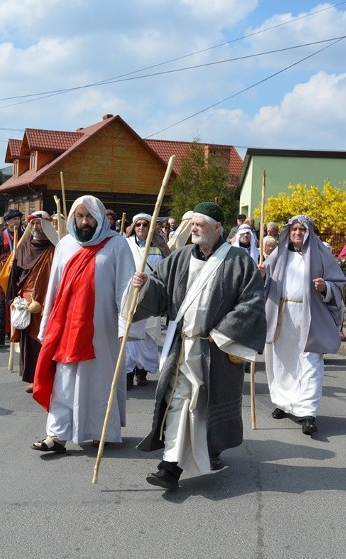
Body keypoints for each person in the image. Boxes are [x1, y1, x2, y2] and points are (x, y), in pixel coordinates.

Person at [130, 202, 266, 490]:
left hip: (216, 349)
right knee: (180, 401)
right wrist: (144, 285)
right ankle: (170, 467)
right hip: (182, 348)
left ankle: (210, 450)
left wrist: (224, 332)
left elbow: (252, 302)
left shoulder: (239, 262)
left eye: (200, 223)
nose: (193, 227)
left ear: (218, 228)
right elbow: (161, 290)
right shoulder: (179, 258)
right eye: (192, 223)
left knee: (207, 406)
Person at [30, 195, 135, 453]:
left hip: (103, 330)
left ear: (99, 218)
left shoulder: (117, 245)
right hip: (67, 328)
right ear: (73, 219)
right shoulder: (65, 245)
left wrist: (126, 325)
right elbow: (54, 288)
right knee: (64, 382)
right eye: (80, 216)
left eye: (89, 216)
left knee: (100, 382)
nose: (85, 221)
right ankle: (57, 435)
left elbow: (125, 289)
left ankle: (102, 432)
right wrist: (46, 325)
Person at [263, 216, 346, 435]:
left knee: (310, 363)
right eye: (294, 229)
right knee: (282, 362)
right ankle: (283, 403)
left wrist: (325, 287)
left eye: (302, 229)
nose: (298, 233)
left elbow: (339, 285)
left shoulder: (320, 254)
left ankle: (308, 412)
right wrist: (261, 275)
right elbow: (264, 281)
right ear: (288, 232)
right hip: (283, 315)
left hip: (310, 316)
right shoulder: (279, 254)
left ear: (309, 232)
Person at [7, 211, 57, 392]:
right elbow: (15, 274)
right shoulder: (24, 247)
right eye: (33, 224)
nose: (36, 227)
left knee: (46, 340)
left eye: (39, 223)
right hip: (27, 302)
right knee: (30, 342)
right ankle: (33, 378)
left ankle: (47, 378)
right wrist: (12, 298)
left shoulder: (55, 248)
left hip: (48, 301)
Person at [123, 213, 167, 388]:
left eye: (145, 225)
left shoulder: (159, 247)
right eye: (138, 224)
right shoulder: (125, 245)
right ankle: (126, 372)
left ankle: (142, 372)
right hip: (128, 295)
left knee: (147, 337)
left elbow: (164, 273)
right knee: (127, 337)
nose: (141, 228)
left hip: (150, 296)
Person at [0, 210, 23, 346]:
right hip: (3, 275)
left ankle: (17, 334)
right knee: (2, 306)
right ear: (7, 221)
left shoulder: (25, 235)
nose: (17, 222)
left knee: (18, 305)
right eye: (14, 219)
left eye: (18, 219)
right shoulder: (1, 237)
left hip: (19, 276)